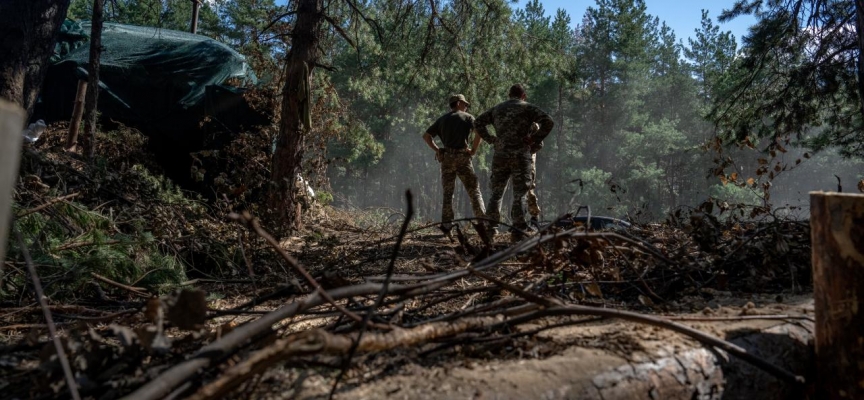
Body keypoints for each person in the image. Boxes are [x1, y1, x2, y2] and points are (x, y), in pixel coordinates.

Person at [474, 84, 553, 238]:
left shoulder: (497, 109)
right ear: (523, 95)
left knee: (496, 192)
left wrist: (492, 140)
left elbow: (477, 122)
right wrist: (533, 139)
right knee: (520, 193)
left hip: (501, 155)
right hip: (521, 156)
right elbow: (549, 121)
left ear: (509, 95)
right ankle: (518, 229)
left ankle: (491, 228)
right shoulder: (528, 108)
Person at [422, 94, 486, 235]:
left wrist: (438, 149)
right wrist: (473, 150)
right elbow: (479, 133)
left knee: (448, 193)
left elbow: (426, 136)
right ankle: (483, 223)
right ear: (457, 103)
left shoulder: (442, 119)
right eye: (464, 103)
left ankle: (446, 226)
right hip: (463, 157)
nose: (466, 106)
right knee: (474, 190)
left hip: (447, 159)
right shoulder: (468, 117)